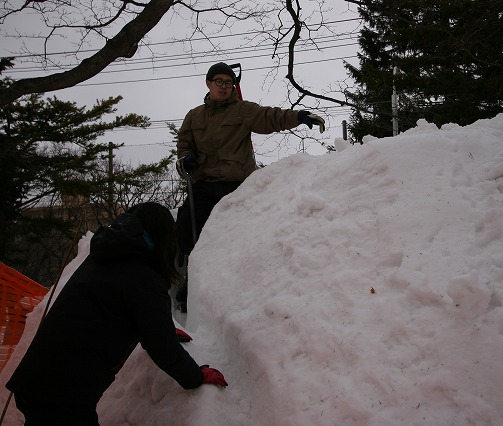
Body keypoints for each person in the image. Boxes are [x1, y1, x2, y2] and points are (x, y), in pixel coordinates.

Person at [6, 202, 227, 426]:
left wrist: (160, 328)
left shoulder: (108, 255)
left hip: (40, 379)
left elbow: (121, 313)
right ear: (164, 237)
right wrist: (196, 377)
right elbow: (162, 347)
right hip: (62, 395)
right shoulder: (143, 277)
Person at [174, 62, 325, 307]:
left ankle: (237, 281)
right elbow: (184, 144)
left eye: (229, 82)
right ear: (208, 83)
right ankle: (192, 276)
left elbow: (270, 117)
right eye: (219, 81)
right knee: (186, 226)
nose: (224, 87)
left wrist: (298, 116)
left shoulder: (242, 110)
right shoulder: (194, 116)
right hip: (203, 183)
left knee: (232, 234)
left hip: (235, 185)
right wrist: (185, 158)